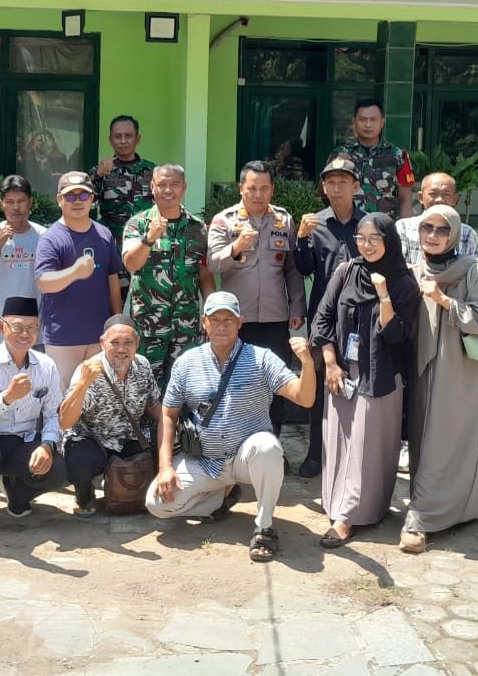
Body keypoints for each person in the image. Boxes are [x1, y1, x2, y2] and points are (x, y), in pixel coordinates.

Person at [146, 291, 315, 563]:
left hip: (245, 459)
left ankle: (264, 527)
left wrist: (306, 362)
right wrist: (165, 466)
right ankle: (220, 496)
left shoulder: (262, 358)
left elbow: (304, 398)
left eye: (228, 319)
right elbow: (168, 414)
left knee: (268, 448)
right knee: (156, 504)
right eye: (215, 319)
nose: (221, 326)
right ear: (204, 322)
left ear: (240, 323)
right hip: (205, 460)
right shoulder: (187, 362)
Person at [311, 213, 419, 548]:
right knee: (339, 441)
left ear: (390, 241)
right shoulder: (346, 271)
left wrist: (383, 294)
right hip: (342, 373)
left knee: (367, 448)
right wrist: (330, 363)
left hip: (381, 375)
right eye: (361, 238)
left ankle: (351, 515)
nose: (367, 245)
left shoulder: (403, 283)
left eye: (375, 238)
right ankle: (336, 504)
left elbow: (398, 335)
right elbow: (322, 319)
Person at [401, 205, 478, 555]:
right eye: (427, 227)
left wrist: (444, 300)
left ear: (455, 234)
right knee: (422, 437)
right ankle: (451, 509)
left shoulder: (472, 270)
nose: (433, 235)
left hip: (460, 369)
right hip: (423, 367)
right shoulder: (415, 270)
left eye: (442, 229)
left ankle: (422, 518)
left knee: (447, 439)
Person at [206, 161, 306, 440]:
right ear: (241, 188)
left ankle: (272, 445)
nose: (258, 194)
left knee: (277, 383)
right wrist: (236, 247)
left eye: (264, 188)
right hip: (237, 321)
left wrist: (297, 307)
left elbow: (292, 269)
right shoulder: (224, 221)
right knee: (234, 382)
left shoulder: (283, 220)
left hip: (275, 319)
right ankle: (235, 444)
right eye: (252, 188)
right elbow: (213, 264)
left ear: (272, 189)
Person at [0, 297, 68, 541]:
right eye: (18, 327)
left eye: (32, 328)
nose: (25, 334)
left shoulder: (46, 366)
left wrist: (47, 445)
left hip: (23, 440)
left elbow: (53, 413)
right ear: (2, 327)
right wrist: (6, 398)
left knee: (59, 467)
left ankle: (18, 495)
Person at [293, 156, 362, 478]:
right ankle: (316, 453)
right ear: (323, 187)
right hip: (324, 317)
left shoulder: (369, 224)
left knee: (359, 381)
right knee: (320, 384)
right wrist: (301, 237)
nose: (337, 188)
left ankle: (354, 453)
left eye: (343, 182)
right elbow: (304, 268)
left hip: (361, 317)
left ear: (355, 186)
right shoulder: (315, 224)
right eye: (331, 182)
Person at [59, 315, 162, 516]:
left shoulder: (142, 365)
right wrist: (83, 384)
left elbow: (153, 404)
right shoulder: (88, 369)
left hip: (128, 436)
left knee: (168, 442)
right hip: (93, 438)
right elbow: (65, 421)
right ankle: (84, 492)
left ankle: (141, 489)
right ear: (102, 343)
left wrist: (172, 426)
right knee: (80, 460)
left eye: (128, 343)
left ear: (137, 343)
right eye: (114, 343)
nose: (121, 349)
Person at [120, 163, 214, 382]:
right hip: (148, 329)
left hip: (186, 327)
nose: (168, 190)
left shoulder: (198, 228)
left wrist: (210, 313)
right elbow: (131, 264)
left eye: (174, 185)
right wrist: (149, 239)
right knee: (145, 387)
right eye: (162, 185)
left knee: (185, 387)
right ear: (152, 187)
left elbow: (204, 274)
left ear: (184, 187)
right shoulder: (137, 224)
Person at [35, 170, 123, 389]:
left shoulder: (104, 234)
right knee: (64, 399)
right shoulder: (51, 238)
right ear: (60, 200)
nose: (77, 201)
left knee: (99, 398)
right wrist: (74, 272)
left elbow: (113, 279)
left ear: (92, 199)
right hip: (63, 339)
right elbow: (43, 282)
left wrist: (117, 321)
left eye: (83, 195)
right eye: (70, 196)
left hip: (99, 336)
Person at [0, 175, 46, 349]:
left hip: (34, 332)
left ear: (30, 202)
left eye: (21, 201)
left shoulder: (44, 236)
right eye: (9, 202)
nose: (16, 207)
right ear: (1, 203)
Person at [326, 98, 415, 218]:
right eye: (363, 119)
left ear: (382, 122)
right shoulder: (340, 153)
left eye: (373, 120)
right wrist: (335, 166)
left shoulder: (398, 156)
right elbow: (323, 191)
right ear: (354, 122)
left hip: (383, 225)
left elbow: (405, 200)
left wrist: (405, 226)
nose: (368, 125)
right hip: (348, 223)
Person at [91, 114, 156, 262]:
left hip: (144, 244)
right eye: (118, 136)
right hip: (111, 244)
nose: (123, 141)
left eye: (128, 136)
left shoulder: (153, 171)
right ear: (110, 140)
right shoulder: (100, 171)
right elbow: (89, 205)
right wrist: (98, 176)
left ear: (138, 139)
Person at [396, 173, 478, 266]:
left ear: (455, 199)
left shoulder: (467, 233)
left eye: (446, 194)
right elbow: (398, 267)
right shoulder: (404, 227)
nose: (439, 200)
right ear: (421, 197)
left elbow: (474, 270)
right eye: (433, 194)